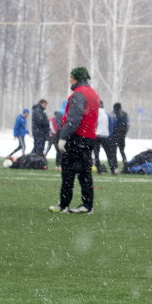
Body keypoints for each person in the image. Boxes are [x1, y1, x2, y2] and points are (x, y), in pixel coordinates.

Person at [50, 67, 99, 214]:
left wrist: (63, 137)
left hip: (76, 138)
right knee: (85, 173)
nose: (70, 80)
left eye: (71, 77)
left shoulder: (78, 94)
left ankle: (64, 204)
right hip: (89, 137)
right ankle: (87, 205)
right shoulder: (94, 94)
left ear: (76, 78)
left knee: (68, 172)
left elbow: (74, 119)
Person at [93, 99, 116, 174]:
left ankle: (99, 169)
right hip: (105, 136)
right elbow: (111, 126)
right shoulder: (107, 114)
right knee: (109, 154)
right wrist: (110, 136)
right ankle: (113, 169)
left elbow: (93, 125)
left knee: (96, 154)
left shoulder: (95, 114)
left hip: (96, 136)